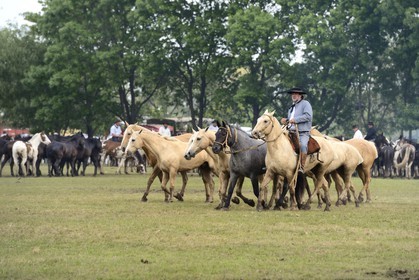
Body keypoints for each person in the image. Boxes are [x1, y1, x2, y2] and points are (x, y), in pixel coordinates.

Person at [280, 87, 312, 173]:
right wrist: (285, 120)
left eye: (296, 94)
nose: (293, 95)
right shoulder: (291, 108)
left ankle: (301, 167)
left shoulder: (305, 104)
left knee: (303, 145)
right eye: (292, 94)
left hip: (302, 132)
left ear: (300, 95)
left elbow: (308, 116)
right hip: (290, 131)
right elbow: (290, 120)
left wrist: (295, 119)